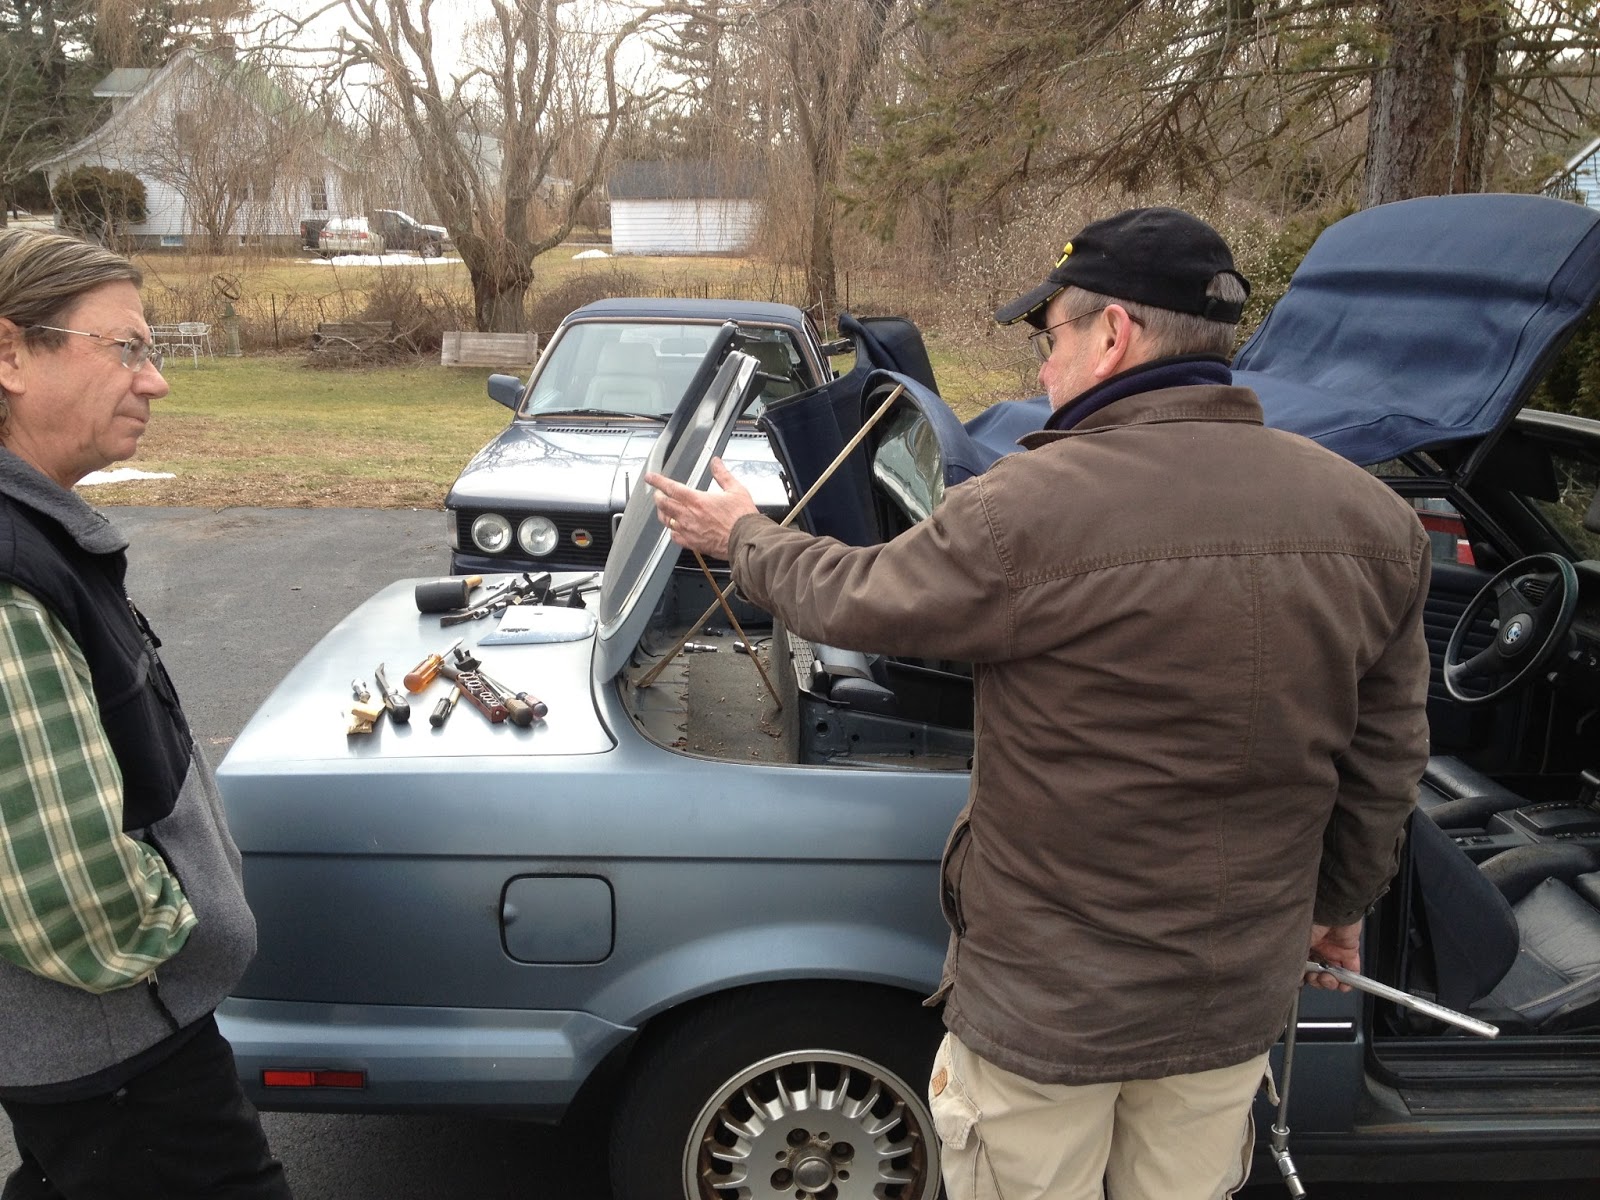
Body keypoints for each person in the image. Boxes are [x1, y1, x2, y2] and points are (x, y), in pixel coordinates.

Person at [648, 207, 1431, 1200]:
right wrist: (1337, 908)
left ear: (1113, 334)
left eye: (1049, 334)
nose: (1041, 367)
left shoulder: (1028, 510)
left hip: (1048, 1008)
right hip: (1227, 997)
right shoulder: (1371, 518)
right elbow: (1384, 756)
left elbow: (857, 600)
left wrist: (745, 536)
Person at [0, 229, 291, 1199]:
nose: (154, 380)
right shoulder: (8, 573)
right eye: (125, 348)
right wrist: (192, 936)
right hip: (122, 1050)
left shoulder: (34, 538)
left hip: (99, 1050)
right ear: (9, 355)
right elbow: (69, 897)